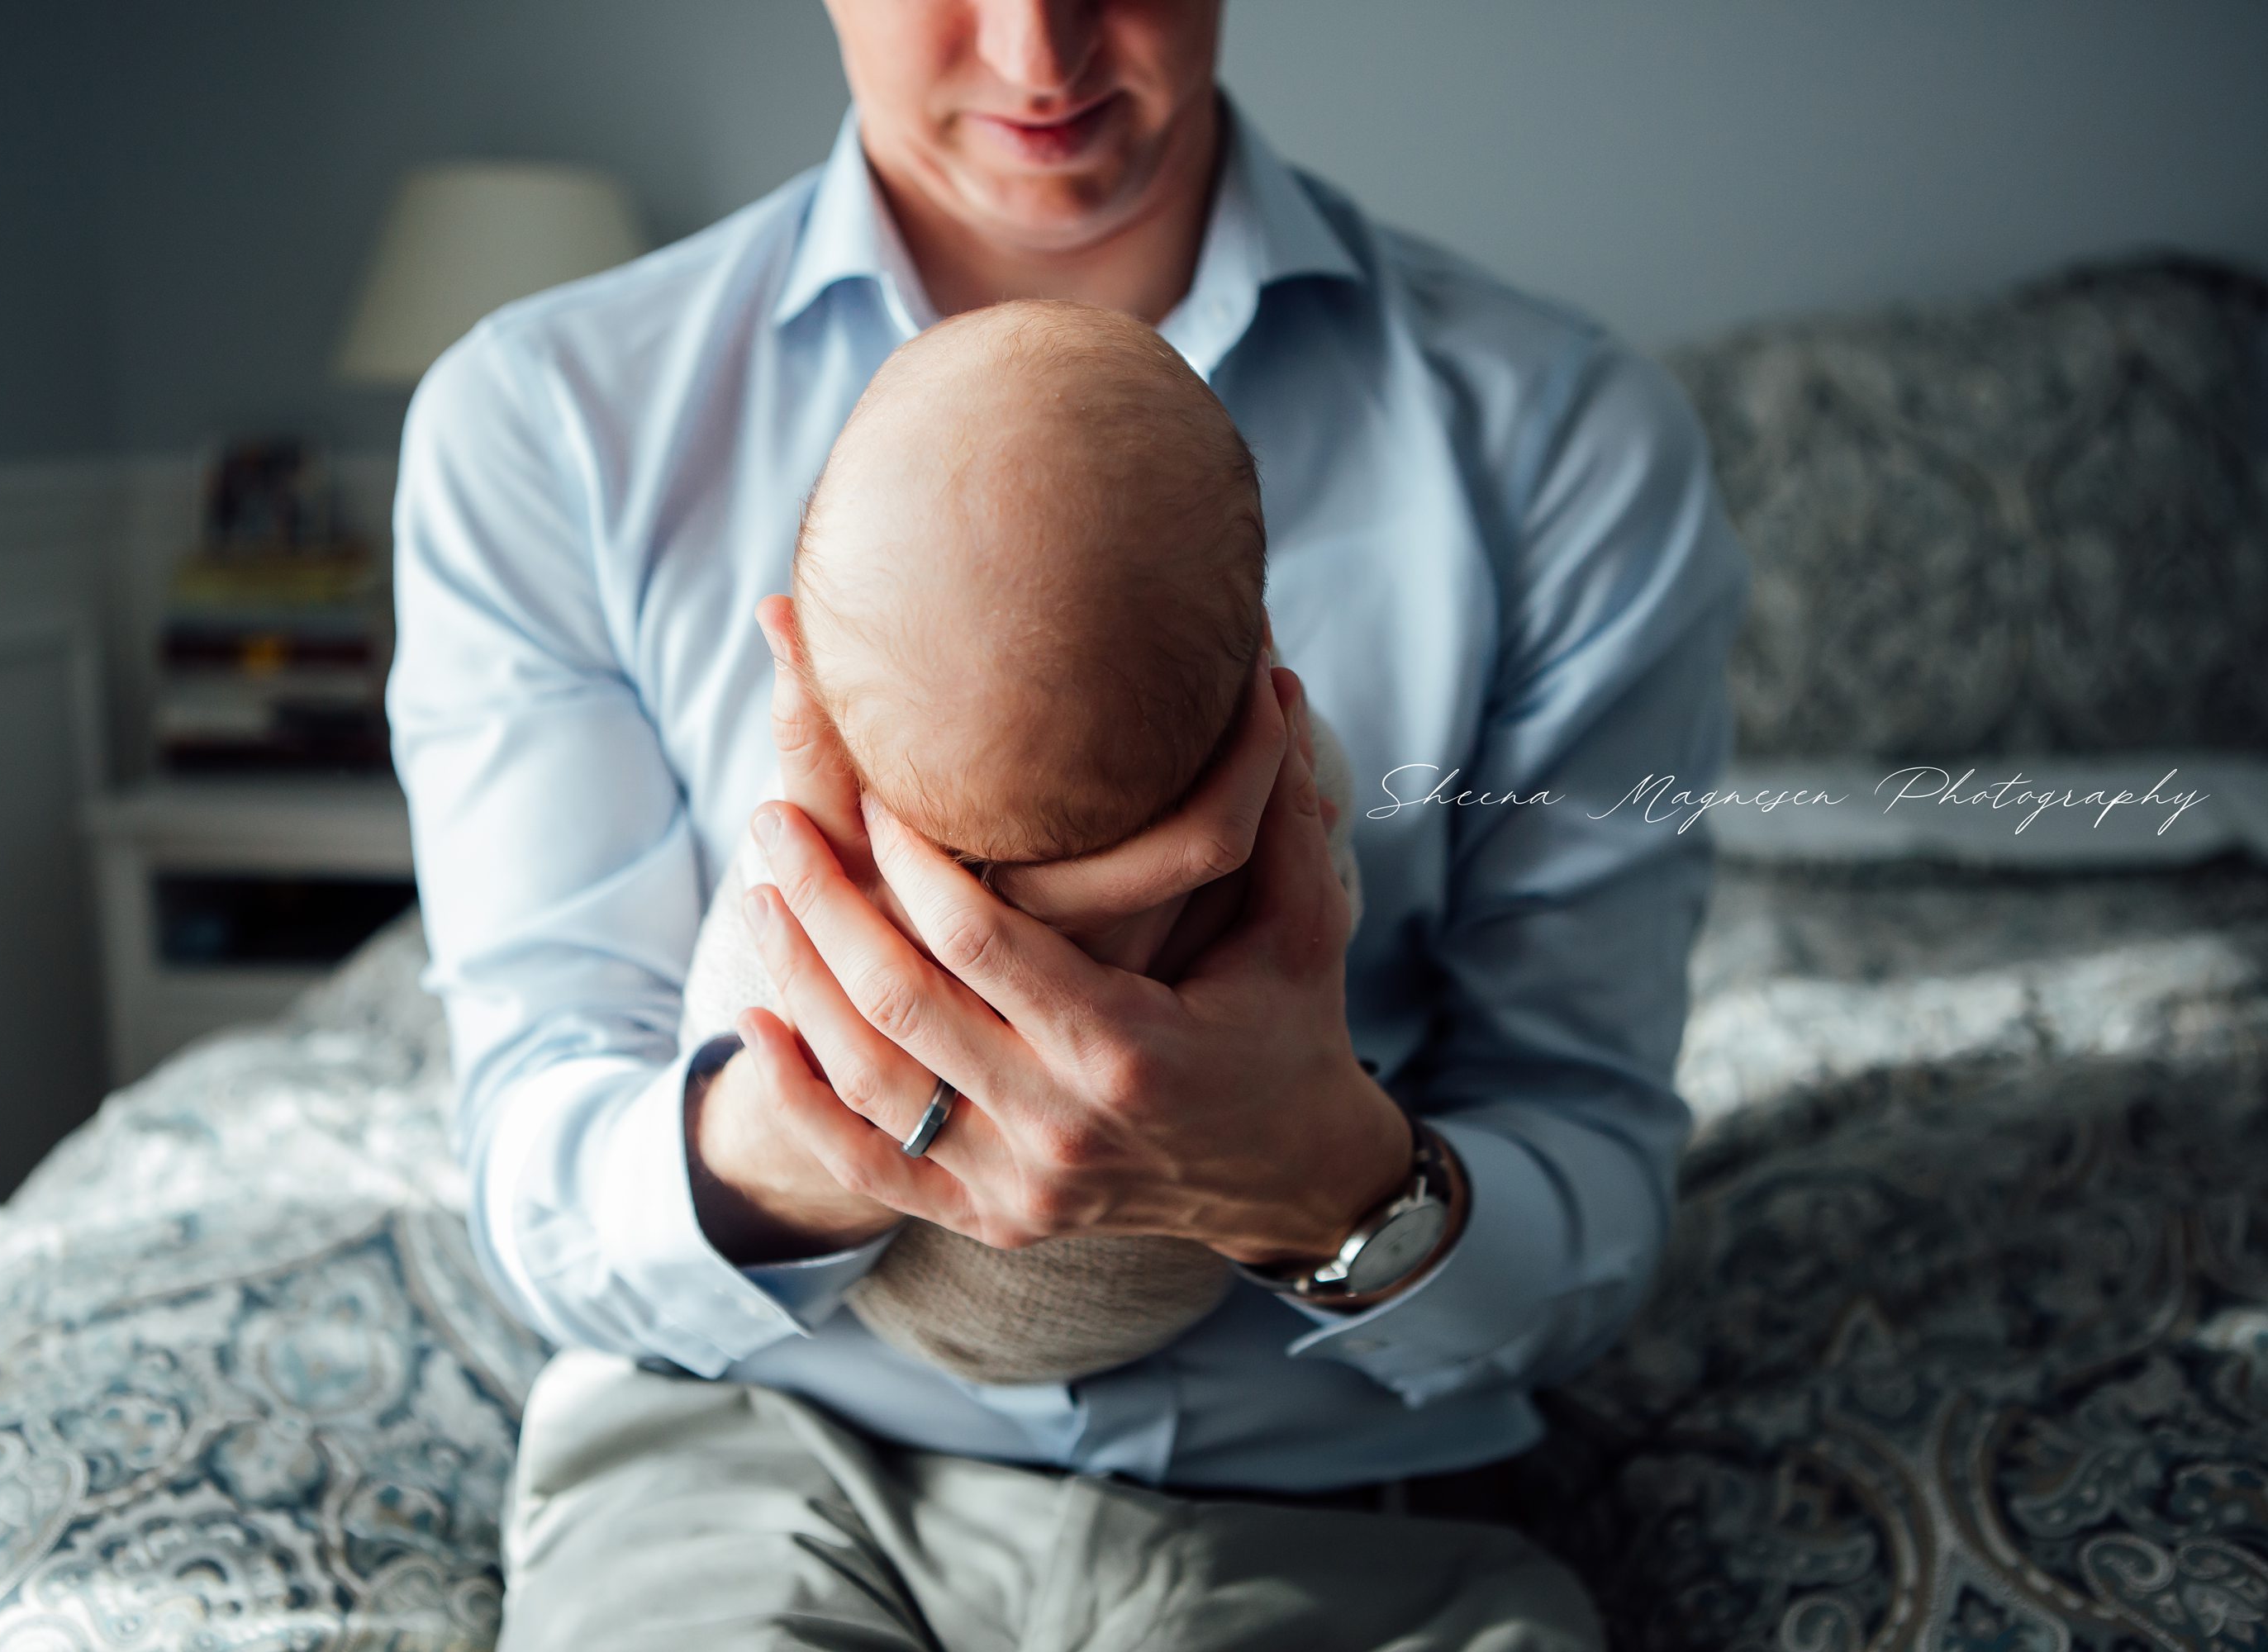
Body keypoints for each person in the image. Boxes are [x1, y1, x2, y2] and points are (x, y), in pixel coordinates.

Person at [387, 1, 1748, 1645]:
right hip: (743, 1461)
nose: (1044, 52)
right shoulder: (546, 427)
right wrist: (798, 1139)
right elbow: (538, 1160)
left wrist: (1310, 1175)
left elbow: (1591, 1181)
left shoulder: (1566, 452)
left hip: (1338, 1519)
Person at [673, 298, 1369, 1388]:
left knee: (781, 909)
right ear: (1258, 646)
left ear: (797, 656)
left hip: (917, 1315)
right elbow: (552, 1195)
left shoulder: (819, 813)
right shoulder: (1293, 779)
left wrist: (1325, 1179)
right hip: (1113, 1309)